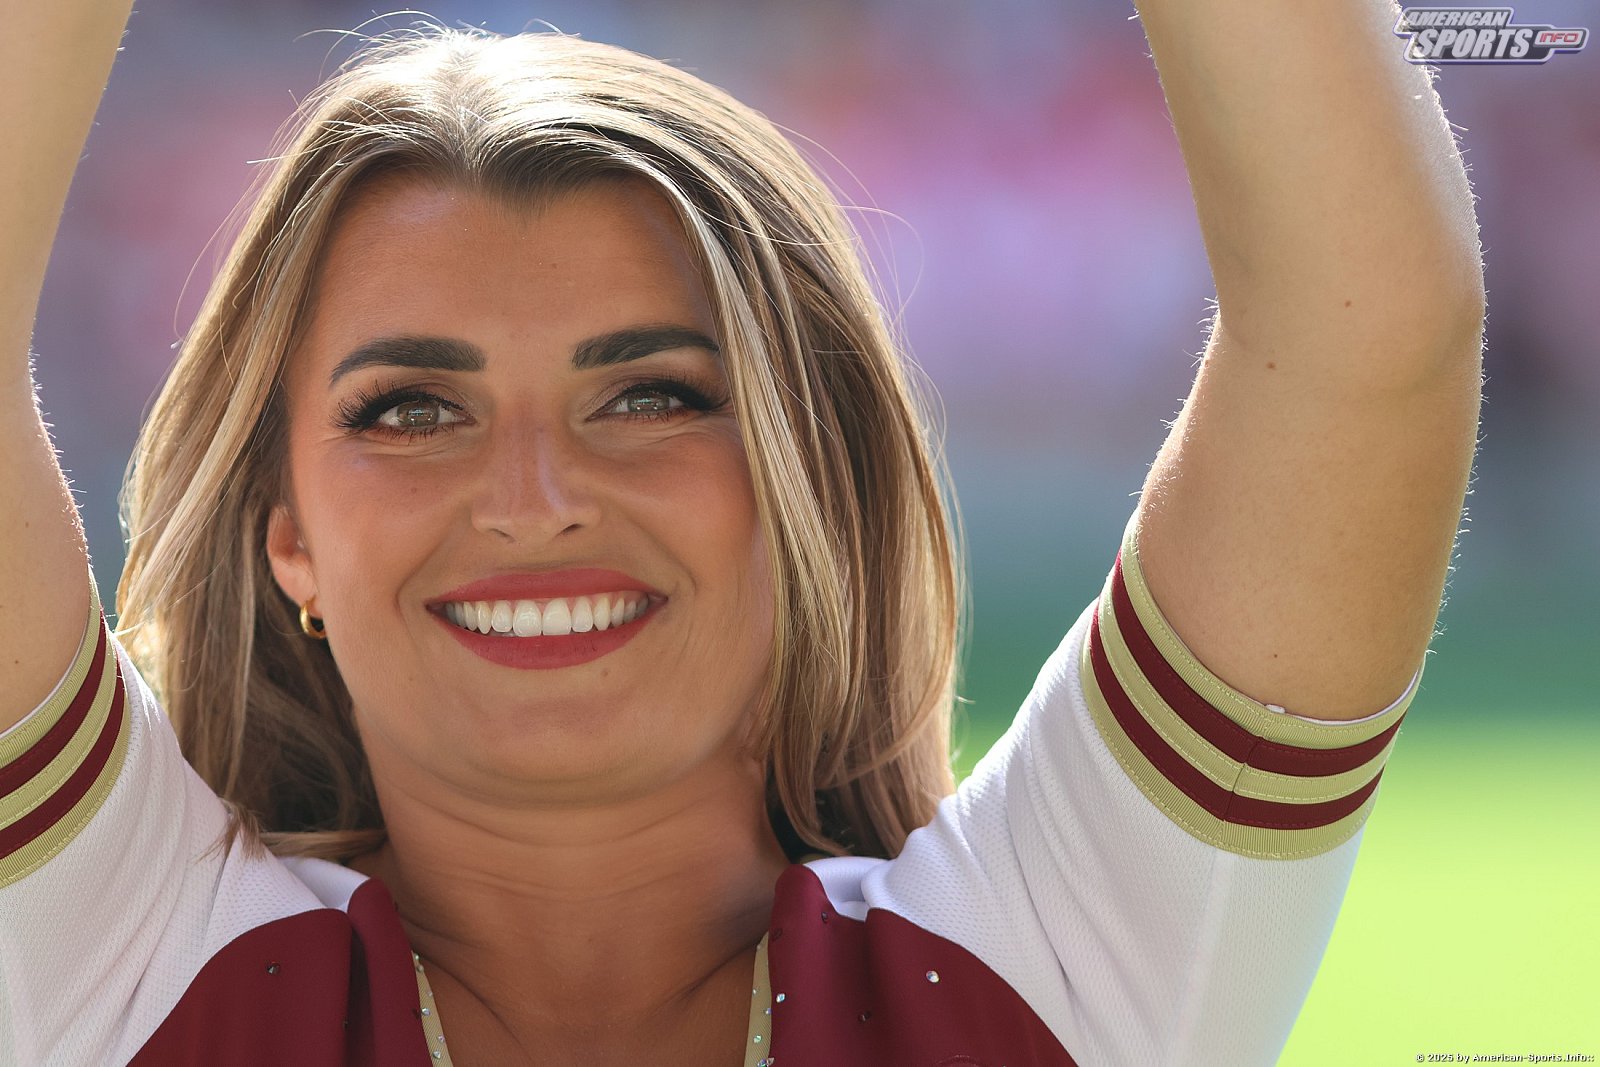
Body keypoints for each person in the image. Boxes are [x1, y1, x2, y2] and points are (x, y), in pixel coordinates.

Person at [0, 3, 1483, 1065]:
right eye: (412, 411)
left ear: (806, 483)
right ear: (291, 546)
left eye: (652, 395)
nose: (534, 495)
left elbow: (1366, 340)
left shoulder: (1052, 967)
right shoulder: (116, 972)